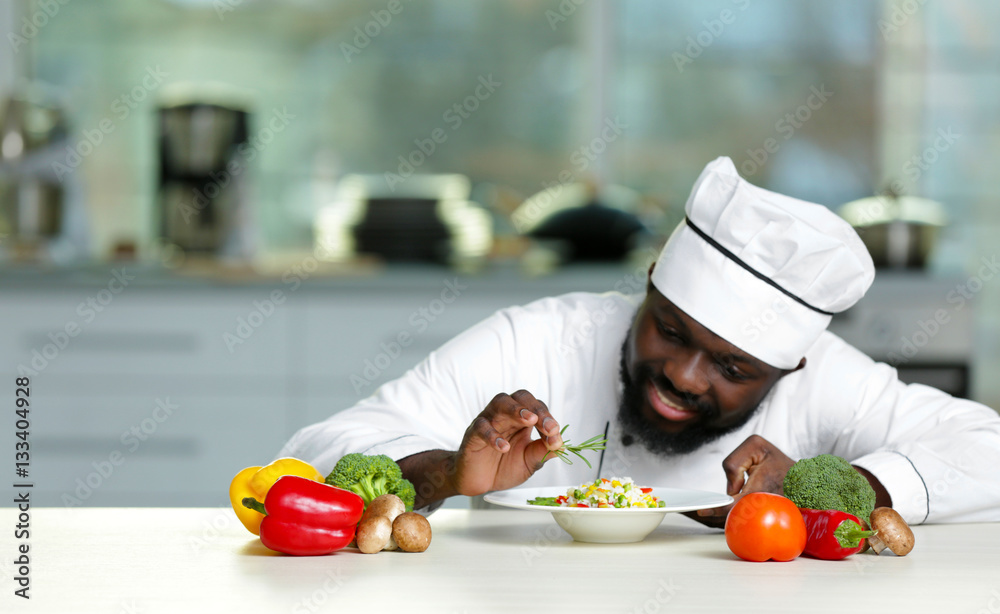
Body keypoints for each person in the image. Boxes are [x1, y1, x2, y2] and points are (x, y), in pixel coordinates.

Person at [280, 156, 1000, 526]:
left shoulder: (828, 379)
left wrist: (839, 489)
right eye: (670, 330)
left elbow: (988, 452)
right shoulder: (540, 340)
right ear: (651, 281)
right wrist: (442, 472)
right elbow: (316, 449)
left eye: (731, 365)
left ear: (793, 365)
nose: (685, 376)